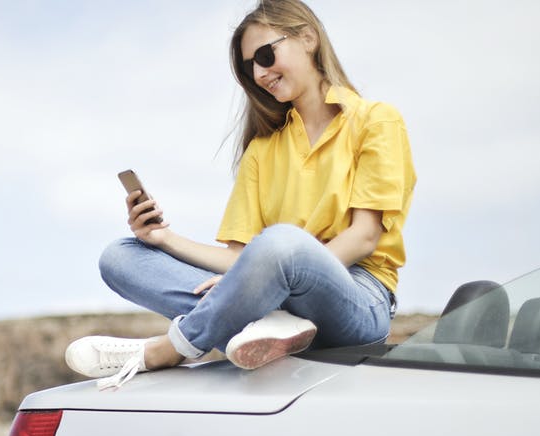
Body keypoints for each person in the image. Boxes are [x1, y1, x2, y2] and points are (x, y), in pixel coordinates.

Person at [67, 0, 415, 389]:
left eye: (266, 55)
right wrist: (163, 238)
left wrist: (262, 279)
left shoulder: (376, 120)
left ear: (308, 38)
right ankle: (265, 324)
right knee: (120, 256)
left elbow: (364, 236)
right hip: (272, 292)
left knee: (283, 243)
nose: (261, 72)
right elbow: (238, 259)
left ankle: (170, 348)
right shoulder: (262, 150)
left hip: (356, 297)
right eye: (251, 65)